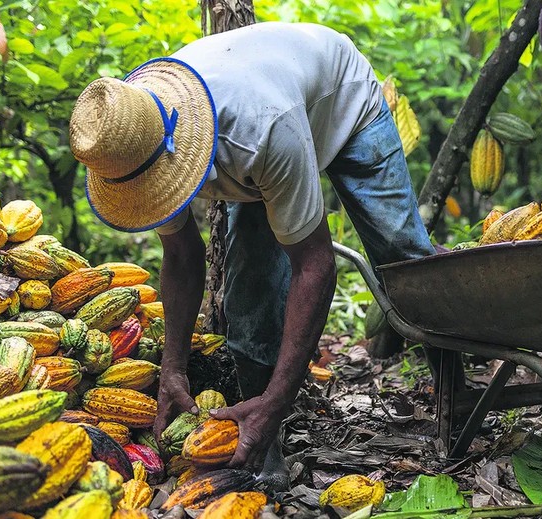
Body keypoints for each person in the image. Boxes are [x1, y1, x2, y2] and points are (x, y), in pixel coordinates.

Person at [68, 21, 434, 489]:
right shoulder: (128, 139)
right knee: (251, 289)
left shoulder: (260, 131)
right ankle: (264, 440)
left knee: (403, 257)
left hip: (343, 101)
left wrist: (280, 400)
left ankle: (450, 383)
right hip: (261, 126)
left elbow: (315, 267)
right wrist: (172, 370)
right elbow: (182, 257)